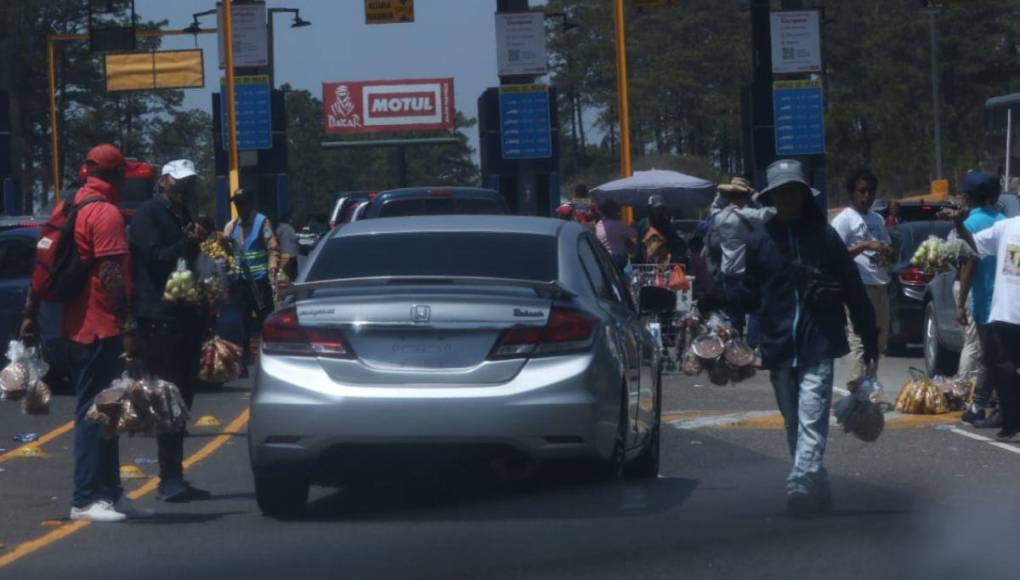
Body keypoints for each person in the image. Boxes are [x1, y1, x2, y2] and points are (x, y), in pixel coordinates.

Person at [735, 159, 879, 516]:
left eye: (793, 191)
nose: (788, 197)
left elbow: (852, 287)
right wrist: (727, 323)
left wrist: (869, 336)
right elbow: (750, 294)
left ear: (802, 194)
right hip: (778, 345)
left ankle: (799, 481)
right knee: (793, 422)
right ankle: (819, 486)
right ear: (772, 197)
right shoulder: (759, 242)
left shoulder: (825, 237)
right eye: (781, 192)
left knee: (812, 415)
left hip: (820, 342)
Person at [21, 144, 148, 522]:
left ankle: (110, 494)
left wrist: (30, 312)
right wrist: (128, 324)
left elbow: (42, 263)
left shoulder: (67, 207)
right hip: (98, 327)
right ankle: (84, 499)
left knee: (107, 412)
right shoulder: (103, 212)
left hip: (75, 326)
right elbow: (110, 274)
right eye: (123, 173)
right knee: (95, 413)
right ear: (114, 175)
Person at [128, 159, 212, 502]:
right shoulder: (150, 215)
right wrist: (187, 244)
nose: (183, 188)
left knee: (184, 396)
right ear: (163, 181)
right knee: (168, 397)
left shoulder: (183, 214)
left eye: (188, 183)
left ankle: (176, 474)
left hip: (186, 313)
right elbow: (155, 259)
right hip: (161, 317)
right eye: (178, 182)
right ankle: (169, 479)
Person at [951, 207, 1020, 441]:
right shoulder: (1006, 227)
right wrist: (959, 225)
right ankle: (1011, 422)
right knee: (1002, 368)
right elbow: (972, 244)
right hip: (1005, 313)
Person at [951, 172, 1006, 426]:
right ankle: (985, 404)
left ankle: (981, 405)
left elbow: (967, 266)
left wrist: (960, 303)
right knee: (997, 356)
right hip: (1007, 301)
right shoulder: (1005, 221)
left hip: (984, 301)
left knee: (988, 356)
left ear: (969, 197)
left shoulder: (968, 225)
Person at [830, 170, 894, 378]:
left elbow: (886, 247)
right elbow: (834, 254)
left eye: (870, 191)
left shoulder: (877, 219)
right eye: (862, 191)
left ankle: (870, 382)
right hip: (858, 286)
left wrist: (887, 253)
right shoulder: (844, 220)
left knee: (879, 339)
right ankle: (857, 389)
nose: (866, 196)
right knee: (859, 337)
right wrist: (865, 245)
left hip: (880, 282)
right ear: (852, 193)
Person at [704, 176, 776, 331]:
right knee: (756, 309)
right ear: (745, 196)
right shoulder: (749, 215)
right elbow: (772, 212)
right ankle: (751, 344)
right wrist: (755, 196)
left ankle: (737, 348)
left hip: (728, 273)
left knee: (735, 316)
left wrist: (721, 195)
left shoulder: (719, 217)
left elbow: (713, 207)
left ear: (728, 196)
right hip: (746, 273)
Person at [224, 189, 280, 378]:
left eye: (242, 203)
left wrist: (273, 269)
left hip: (260, 282)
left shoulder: (261, 222)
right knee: (243, 325)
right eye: (236, 203)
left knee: (266, 322)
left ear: (249, 203)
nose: (239, 207)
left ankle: (271, 361)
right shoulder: (231, 227)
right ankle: (243, 364)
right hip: (241, 283)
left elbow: (272, 248)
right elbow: (227, 252)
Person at [637, 194, 686, 265]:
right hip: (646, 262)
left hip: (663, 260)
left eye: (661, 208)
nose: (659, 210)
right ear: (650, 208)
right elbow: (639, 244)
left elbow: (674, 240)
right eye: (656, 208)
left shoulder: (666, 223)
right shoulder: (643, 224)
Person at [595, 199, 636, 272]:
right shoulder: (618, 224)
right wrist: (632, 226)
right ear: (613, 211)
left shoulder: (599, 225)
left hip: (603, 257)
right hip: (618, 257)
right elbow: (634, 233)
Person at [275, 212, 300, 281]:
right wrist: (298, 238)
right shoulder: (289, 228)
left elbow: (277, 237)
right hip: (292, 252)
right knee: (293, 269)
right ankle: (294, 280)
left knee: (284, 268)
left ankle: (283, 280)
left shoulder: (279, 228)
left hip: (283, 251)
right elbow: (294, 238)